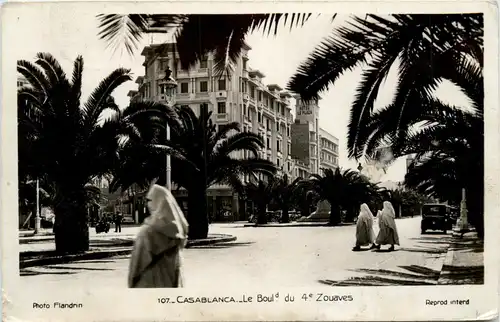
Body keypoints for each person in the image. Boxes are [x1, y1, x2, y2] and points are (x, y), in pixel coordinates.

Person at [128, 184, 189, 288]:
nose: (148, 204)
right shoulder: (177, 233)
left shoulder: (148, 232)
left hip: (149, 286)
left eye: (150, 200)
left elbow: (136, 266)